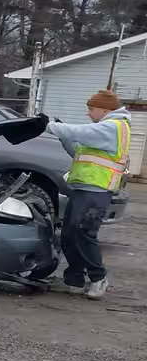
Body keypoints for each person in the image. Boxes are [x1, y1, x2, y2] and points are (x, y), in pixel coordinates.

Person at [45, 89, 132, 299]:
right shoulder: (103, 129)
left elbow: (79, 132)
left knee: (84, 234)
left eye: (91, 109)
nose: (88, 113)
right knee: (69, 234)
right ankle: (74, 280)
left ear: (105, 109)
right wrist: (64, 139)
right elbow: (78, 151)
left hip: (97, 190)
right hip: (84, 188)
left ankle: (98, 277)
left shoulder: (114, 127)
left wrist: (49, 126)